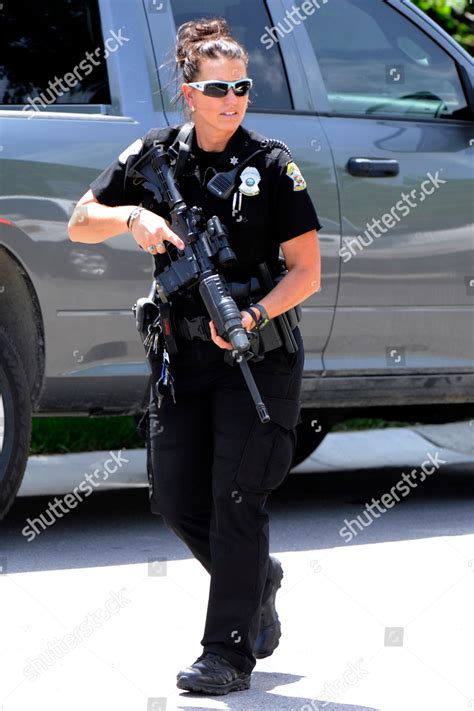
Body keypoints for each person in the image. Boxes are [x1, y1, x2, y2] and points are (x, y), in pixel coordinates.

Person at [68, 16, 322, 696]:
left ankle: (227, 652)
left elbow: (307, 271)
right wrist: (132, 217)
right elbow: (78, 219)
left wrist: (254, 311)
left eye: (241, 85)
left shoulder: (270, 165)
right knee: (176, 498)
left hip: (256, 353)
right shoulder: (153, 155)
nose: (232, 98)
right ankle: (256, 579)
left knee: (237, 497)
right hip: (182, 358)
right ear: (188, 91)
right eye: (217, 88)